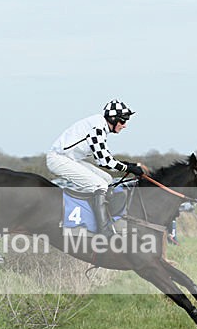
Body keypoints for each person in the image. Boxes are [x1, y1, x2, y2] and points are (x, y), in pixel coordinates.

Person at [46, 99, 148, 236]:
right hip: (58, 159)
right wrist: (129, 168)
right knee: (100, 185)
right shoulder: (97, 128)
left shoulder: (100, 125)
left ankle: (103, 218)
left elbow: (103, 159)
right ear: (113, 119)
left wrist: (130, 166)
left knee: (107, 179)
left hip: (69, 158)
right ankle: (103, 230)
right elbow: (105, 162)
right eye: (123, 121)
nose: (125, 126)